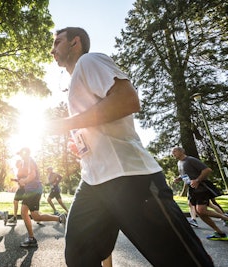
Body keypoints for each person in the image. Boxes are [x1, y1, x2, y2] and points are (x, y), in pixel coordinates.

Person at [47, 27, 214, 266]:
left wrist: (65, 124)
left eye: (57, 42)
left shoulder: (89, 61)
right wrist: (83, 143)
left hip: (131, 177)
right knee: (78, 256)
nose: (52, 49)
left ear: (76, 42)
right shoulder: (76, 82)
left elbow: (127, 99)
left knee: (184, 261)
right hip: (94, 181)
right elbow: (99, 122)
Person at [172, 146, 228, 240]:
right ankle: (219, 232)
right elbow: (185, 174)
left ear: (182, 151)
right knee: (200, 213)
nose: (173, 153)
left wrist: (197, 180)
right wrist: (179, 178)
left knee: (201, 210)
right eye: (172, 152)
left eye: (175, 151)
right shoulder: (179, 163)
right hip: (192, 189)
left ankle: (225, 218)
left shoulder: (190, 160)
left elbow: (207, 170)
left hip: (201, 188)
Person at [17, 147, 66, 248]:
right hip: (32, 190)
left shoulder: (29, 161)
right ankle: (60, 218)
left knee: (24, 212)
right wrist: (22, 181)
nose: (20, 156)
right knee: (36, 216)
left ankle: (31, 239)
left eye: (21, 154)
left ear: (25, 153)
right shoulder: (26, 162)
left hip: (33, 190)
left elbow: (32, 175)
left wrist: (24, 181)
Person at [7, 159, 26, 224]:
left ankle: (37, 216)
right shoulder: (19, 170)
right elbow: (20, 179)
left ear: (20, 163)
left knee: (26, 204)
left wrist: (15, 180)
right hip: (21, 188)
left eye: (17, 163)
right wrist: (14, 179)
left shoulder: (23, 169)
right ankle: (15, 217)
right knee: (15, 201)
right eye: (16, 163)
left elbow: (24, 179)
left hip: (24, 188)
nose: (16, 164)